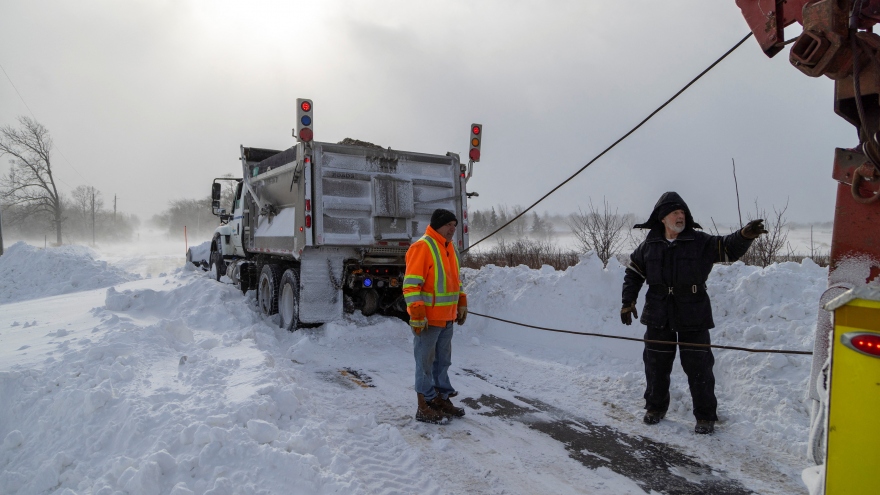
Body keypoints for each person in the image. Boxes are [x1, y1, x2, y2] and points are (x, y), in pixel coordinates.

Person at [620, 192, 767, 434]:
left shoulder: (700, 242)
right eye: (675, 213)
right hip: (658, 313)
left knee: (699, 367)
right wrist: (628, 301)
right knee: (655, 365)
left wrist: (744, 236)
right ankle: (655, 408)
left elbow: (727, 247)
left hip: (693, 313)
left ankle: (706, 416)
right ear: (662, 218)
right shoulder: (649, 246)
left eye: (683, 213)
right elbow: (634, 274)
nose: (681, 217)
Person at [403, 208, 469, 424]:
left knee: (442, 362)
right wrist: (418, 312)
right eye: (449, 225)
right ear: (437, 225)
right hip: (428, 320)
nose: (453, 229)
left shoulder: (450, 248)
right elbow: (411, 284)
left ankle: (440, 398)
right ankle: (424, 405)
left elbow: (455, 280)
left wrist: (461, 301)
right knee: (425, 363)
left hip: (447, 318)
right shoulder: (423, 246)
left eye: (455, 225)